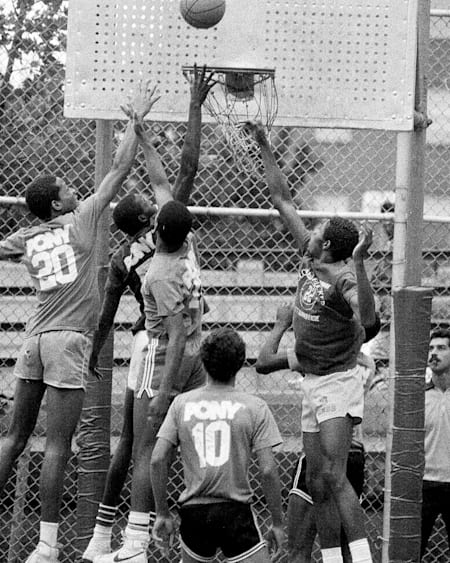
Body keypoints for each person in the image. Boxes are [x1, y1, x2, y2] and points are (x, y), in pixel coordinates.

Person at [0, 83, 159, 563]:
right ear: (56, 204)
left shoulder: (27, 235)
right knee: (56, 445)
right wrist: (135, 124)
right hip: (68, 342)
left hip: (33, 339)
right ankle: (47, 548)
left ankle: (44, 545)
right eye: (66, 189)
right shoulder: (84, 218)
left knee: (13, 436)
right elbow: (119, 169)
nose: (74, 189)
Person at [82, 66, 214, 563]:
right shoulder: (180, 242)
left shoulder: (125, 259)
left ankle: (117, 538)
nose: (145, 195)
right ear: (150, 221)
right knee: (145, 445)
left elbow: (107, 312)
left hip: (151, 344)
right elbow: (178, 170)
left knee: (134, 446)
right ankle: (127, 540)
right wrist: (150, 132)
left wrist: (95, 351)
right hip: (173, 342)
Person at [247, 121, 376, 563]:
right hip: (311, 380)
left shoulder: (341, 275)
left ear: (331, 246)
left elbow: (371, 318)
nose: (312, 230)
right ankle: (333, 557)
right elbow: (282, 198)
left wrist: (359, 264)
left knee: (336, 478)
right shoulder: (309, 255)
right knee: (317, 481)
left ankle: (360, 559)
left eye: (318, 230)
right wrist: (265, 147)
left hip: (337, 382)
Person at [256, 304, 379, 563]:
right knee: (345, 550)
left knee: (299, 549)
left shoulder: (320, 355)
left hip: (321, 454)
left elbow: (264, 362)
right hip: (354, 454)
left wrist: (282, 324)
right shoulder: (366, 363)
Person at [150, 327, 285, 563]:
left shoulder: (182, 403)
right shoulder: (254, 407)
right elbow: (267, 470)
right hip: (235, 510)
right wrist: (277, 522)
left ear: (202, 362)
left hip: (195, 510)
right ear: (241, 363)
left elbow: (158, 459)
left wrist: (162, 512)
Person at [420, 328, 450, 560]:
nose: (434, 353)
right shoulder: (418, 396)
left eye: (441, 348)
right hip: (424, 484)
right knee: (413, 550)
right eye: (430, 348)